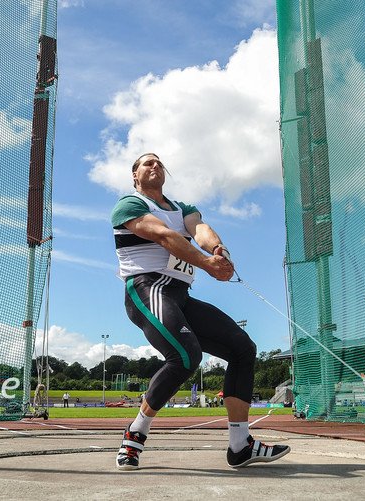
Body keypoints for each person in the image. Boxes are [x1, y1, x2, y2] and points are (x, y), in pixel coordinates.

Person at [111, 153, 290, 470]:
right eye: (146, 163)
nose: (155, 166)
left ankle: (240, 445)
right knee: (185, 356)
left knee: (242, 347)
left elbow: (200, 229)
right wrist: (207, 264)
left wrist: (218, 250)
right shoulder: (130, 204)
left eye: (159, 163)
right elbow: (165, 237)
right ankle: (135, 434)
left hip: (180, 296)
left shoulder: (183, 209)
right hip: (147, 288)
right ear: (134, 175)